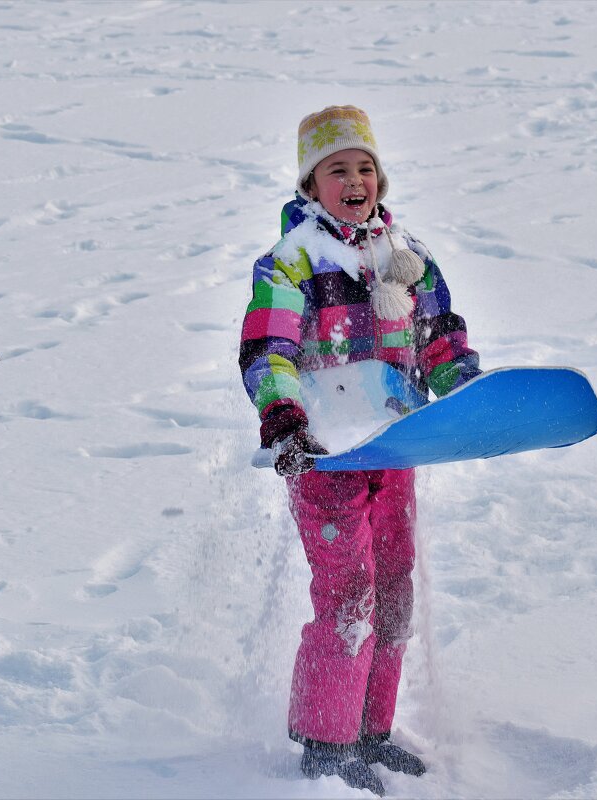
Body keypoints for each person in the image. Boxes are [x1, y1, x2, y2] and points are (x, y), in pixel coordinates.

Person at [238, 105, 481, 796]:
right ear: (310, 186)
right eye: (336, 169)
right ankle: (325, 740)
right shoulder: (292, 261)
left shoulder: (406, 255)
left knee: (395, 589)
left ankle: (371, 728)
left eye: (364, 167)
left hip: (394, 447)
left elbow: (440, 338)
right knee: (348, 592)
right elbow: (269, 347)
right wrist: (284, 418)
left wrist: (461, 388)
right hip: (325, 456)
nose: (355, 179)